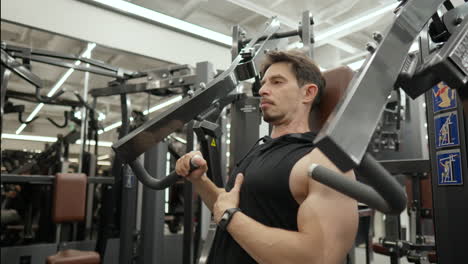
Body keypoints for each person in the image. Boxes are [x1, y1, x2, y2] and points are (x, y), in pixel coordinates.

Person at [175, 50, 358, 264]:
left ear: (308, 93)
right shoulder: (259, 150)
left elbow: (319, 256)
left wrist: (230, 218)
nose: (262, 90)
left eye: (277, 82)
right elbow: (227, 204)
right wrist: (200, 180)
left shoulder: (323, 161)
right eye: (263, 83)